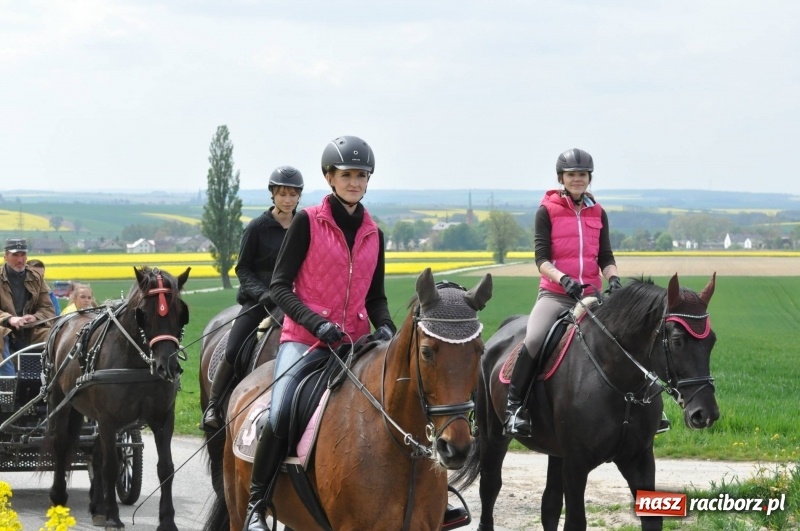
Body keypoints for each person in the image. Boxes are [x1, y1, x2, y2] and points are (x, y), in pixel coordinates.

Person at [503, 148, 628, 437]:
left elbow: (605, 256)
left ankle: (646, 412)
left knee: (628, 340)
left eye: (582, 174)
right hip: (556, 294)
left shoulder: (598, 212)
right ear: (561, 178)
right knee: (533, 340)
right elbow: (541, 259)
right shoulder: (546, 211)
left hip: (593, 296)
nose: (577, 179)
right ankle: (515, 408)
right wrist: (564, 279)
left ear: (589, 178)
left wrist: (614, 279)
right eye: (571, 175)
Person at [201, 165, 305, 432]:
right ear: (273, 195)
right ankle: (214, 404)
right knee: (235, 348)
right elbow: (243, 268)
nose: (288, 199)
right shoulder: (257, 228)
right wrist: (263, 293)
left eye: (293, 194)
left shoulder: (304, 226)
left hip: (294, 299)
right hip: (260, 300)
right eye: (283, 194)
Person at [1, 238, 56, 376]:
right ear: (5, 256)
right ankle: (7, 382)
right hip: (3, 329)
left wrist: (35, 317)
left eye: (23, 255)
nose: (20, 260)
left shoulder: (36, 277)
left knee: (55, 335)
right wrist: (9, 319)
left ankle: (51, 381)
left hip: (28, 329)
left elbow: (48, 308)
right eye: (15, 255)